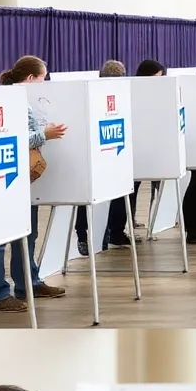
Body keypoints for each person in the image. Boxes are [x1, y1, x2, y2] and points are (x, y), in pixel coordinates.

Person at [0, 56, 69, 314]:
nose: (45, 83)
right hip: (5, 177)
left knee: (27, 233)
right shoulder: (11, 102)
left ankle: (29, 283)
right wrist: (45, 135)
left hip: (18, 177)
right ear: (30, 78)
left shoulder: (17, 100)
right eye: (43, 78)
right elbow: (15, 139)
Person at [76, 59, 134, 255]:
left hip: (107, 155)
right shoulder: (102, 95)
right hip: (102, 157)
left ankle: (97, 235)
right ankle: (89, 236)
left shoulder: (98, 94)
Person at [105, 59, 166, 240]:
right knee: (126, 192)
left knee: (133, 190)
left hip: (141, 149)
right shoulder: (131, 91)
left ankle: (124, 225)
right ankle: (116, 230)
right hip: (128, 150)